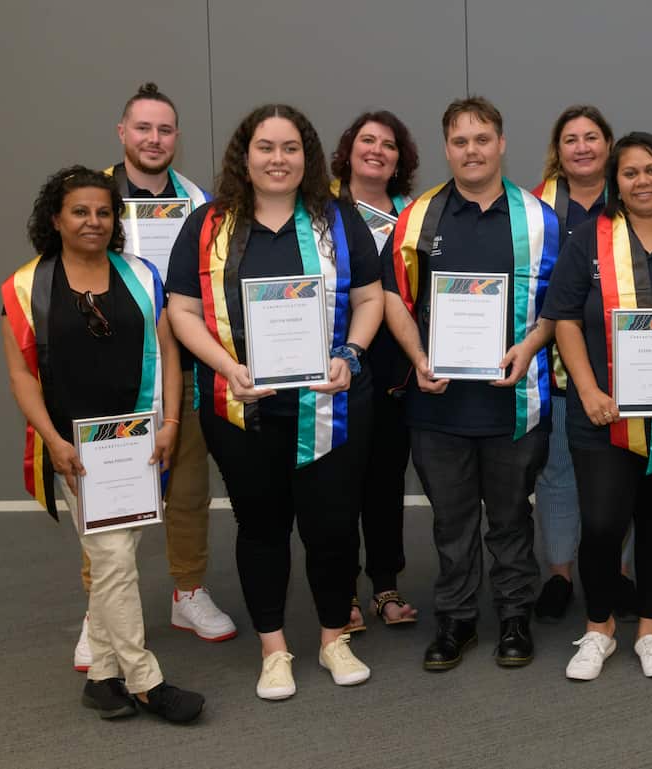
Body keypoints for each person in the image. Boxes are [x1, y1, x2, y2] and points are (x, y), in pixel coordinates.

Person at [166, 104, 383, 700]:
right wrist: (226, 367)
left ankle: (334, 639)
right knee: (261, 528)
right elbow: (181, 310)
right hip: (243, 409)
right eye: (266, 147)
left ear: (307, 157)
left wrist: (351, 355)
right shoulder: (208, 225)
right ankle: (274, 649)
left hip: (332, 405)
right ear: (246, 155)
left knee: (332, 527)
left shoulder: (338, 219)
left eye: (291, 148)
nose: (278, 159)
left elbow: (371, 298)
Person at [2, 166, 205, 722]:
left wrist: (170, 423)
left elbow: (169, 351)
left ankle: (100, 678)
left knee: (115, 559)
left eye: (104, 211)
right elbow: (20, 376)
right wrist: (52, 440)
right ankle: (145, 680)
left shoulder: (141, 275)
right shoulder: (23, 287)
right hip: (77, 450)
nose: (93, 221)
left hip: (138, 443)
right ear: (55, 219)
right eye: (80, 211)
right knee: (114, 559)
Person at [384, 97, 557, 671]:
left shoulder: (538, 218)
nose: (472, 150)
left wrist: (530, 346)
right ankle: (456, 620)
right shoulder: (418, 218)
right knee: (452, 522)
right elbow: (392, 296)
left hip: (512, 403)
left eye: (482, 139)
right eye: (460, 141)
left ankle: (514, 616)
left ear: (501, 143)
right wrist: (418, 356)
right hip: (439, 406)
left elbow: (559, 303)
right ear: (447, 149)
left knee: (510, 520)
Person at [543, 131, 652, 680]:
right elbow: (564, 319)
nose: (642, 181)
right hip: (602, 413)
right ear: (615, 183)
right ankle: (598, 629)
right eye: (629, 173)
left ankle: (650, 630)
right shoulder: (588, 239)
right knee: (601, 524)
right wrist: (588, 390)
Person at [69, 83, 235, 675]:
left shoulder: (200, 202)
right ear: (122, 132)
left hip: (181, 370)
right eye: (143, 128)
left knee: (188, 490)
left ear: (176, 138)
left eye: (165, 130)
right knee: (109, 500)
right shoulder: (91, 196)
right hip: (109, 375)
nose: (154, 139)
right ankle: (100, 615)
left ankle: (188, 592)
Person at [527, 104, 628, 623]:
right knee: (558, 472)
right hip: (553, 368)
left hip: (624, 368)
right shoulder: (534, 209)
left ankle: (618, 573)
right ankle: (561, 573)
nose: (582, 147)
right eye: (571, 139)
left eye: (592, 137)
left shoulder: (632, 199)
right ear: (557, 150)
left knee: (623, 475)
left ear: (609, 145)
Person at [329, 110, 421, 630]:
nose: (377, 151)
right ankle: (341, 592)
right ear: (349, 150)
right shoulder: (320, 210)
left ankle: (386, 584)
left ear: (399, 159)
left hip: (395, 368)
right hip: (336, 365)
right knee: (339, 485)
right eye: (367, 140)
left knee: (386, 482)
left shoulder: (414, 215)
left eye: (389, 144)